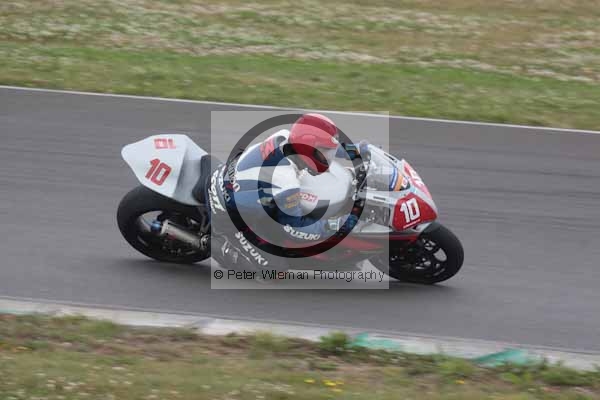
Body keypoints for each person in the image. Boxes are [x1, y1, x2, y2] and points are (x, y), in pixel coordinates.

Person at [206, 113, 366, 273]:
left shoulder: (286, 137)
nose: (328, 158)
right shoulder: (285, 179)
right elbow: (296, 230)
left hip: (238, 185)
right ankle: (217, 243)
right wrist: (336, 225)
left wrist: (356, 151)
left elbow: (329, 146)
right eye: (324, 153)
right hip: (227, 213)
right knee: (273, 270)